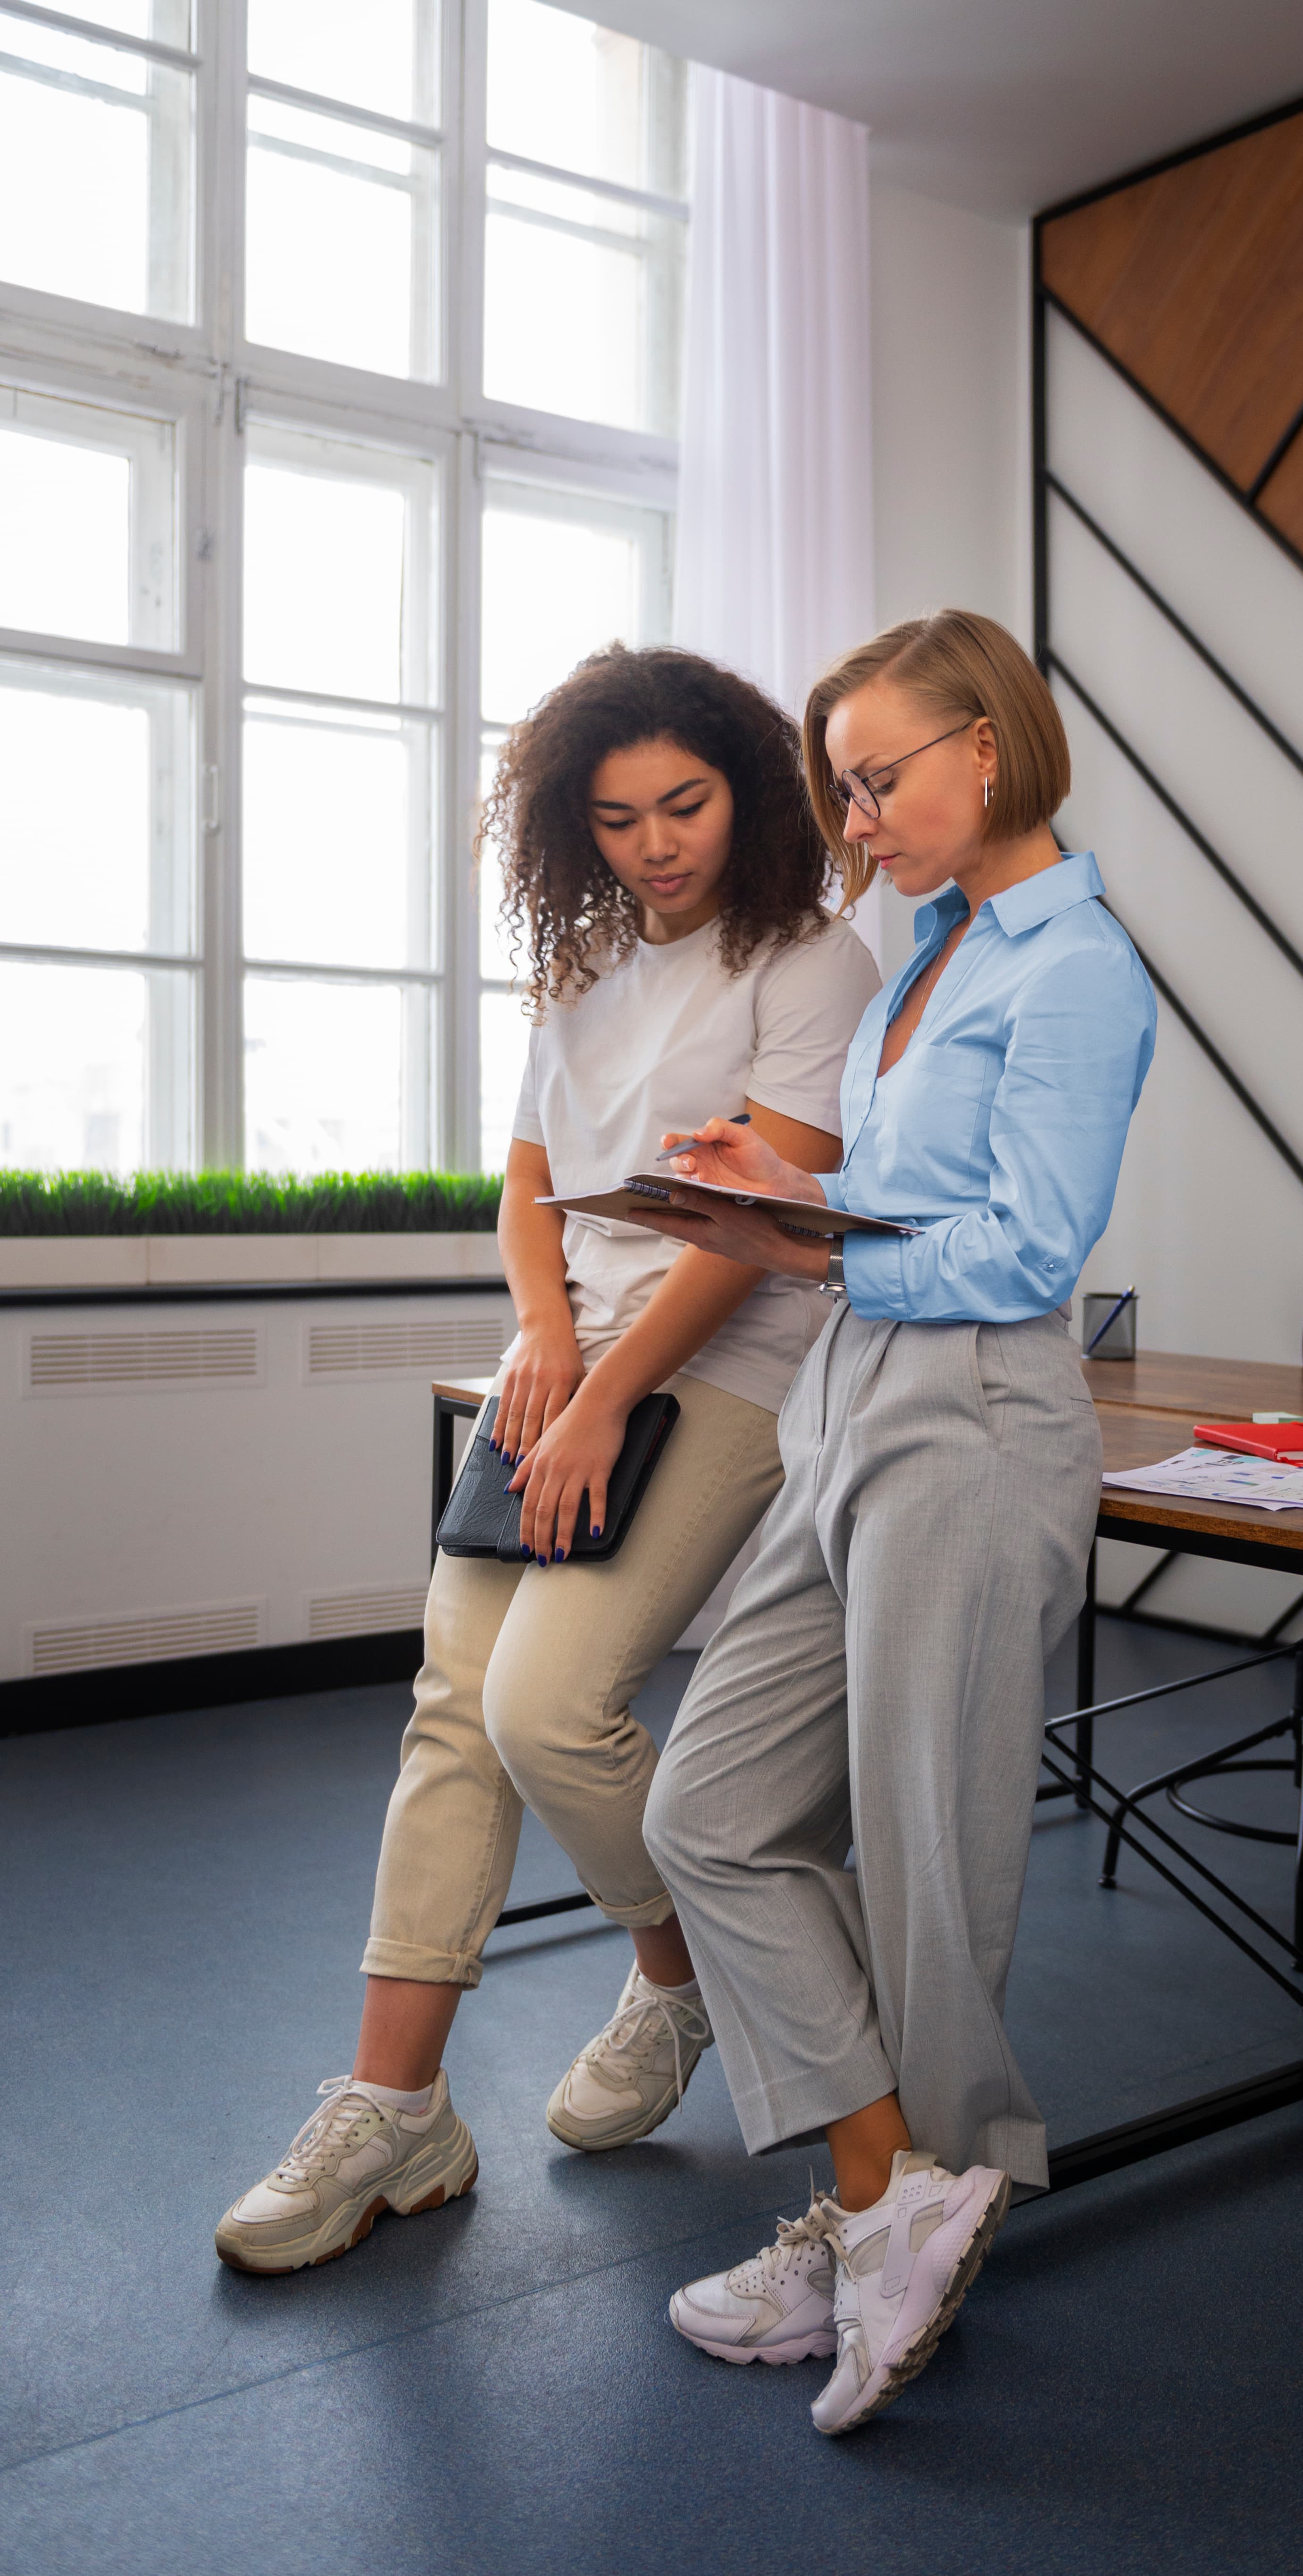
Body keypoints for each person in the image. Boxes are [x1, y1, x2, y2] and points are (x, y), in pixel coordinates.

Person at [215, 645, 879, 2275]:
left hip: (739, 1366)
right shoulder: (579, 973)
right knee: (455, 1702)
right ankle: (400, 2105)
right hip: (577, 1372)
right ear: (570, 828)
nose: (658, 841)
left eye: (689, 803)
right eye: (618, 815)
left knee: (545, 1707)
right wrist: (545, 1338)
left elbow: (760, 1219)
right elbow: (529, 1190)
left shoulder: (809, 959)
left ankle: (685, 1973)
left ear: (747, 790)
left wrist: (605, 1388)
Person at [631, 609, 1157, 2434]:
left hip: (979, 1408)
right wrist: (780, 1182)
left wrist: (796, 1242)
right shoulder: (916, 947)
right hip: (851, 1388)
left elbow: (1030, 1245)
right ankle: (882, 2190)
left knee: (932, 1873)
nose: (854, 818)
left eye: (877, 778)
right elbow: (904, 1185)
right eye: (839, 786)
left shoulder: (1076, 968)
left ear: (985, 751)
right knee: (708, 1809)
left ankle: (913, 2202)